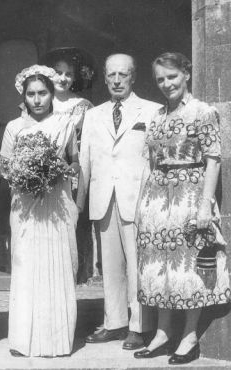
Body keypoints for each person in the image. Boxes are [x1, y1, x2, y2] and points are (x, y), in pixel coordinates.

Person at [133, 52, 230, 365]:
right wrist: (140, 205)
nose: (166, 84)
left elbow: (213, 158)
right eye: (160, 79)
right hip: (156, 200)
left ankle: (188, 336)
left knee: (187, 269)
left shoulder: (203, 111)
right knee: (160, 269)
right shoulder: (158, 116)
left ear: (186, 74)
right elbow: (150, 162)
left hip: (189, 195)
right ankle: (162, 334)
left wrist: (205, 205)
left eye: (172, 77)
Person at [76, 53, 160, 350]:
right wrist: (79, 203)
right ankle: (114, 322)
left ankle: (139, 325)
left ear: (133, 76)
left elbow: (156, 160)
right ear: (104, 76)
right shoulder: (93, 114)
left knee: (137, 264)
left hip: (136, 199)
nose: (116, 80)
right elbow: (84, 162)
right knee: (109, 266)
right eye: (111, 75)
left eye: (123, 75)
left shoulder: (152, 111)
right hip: (103, 199)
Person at [0, 65, 79, 357]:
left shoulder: (65, 124)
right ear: (24, 96)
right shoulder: (13, 127)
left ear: (51, 93)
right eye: (31, 94)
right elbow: (3, 166)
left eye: (42, 93)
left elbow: (74, 162)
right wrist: (24, 175)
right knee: (26, 264)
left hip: (56, 202)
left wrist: (60, 170)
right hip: (25, 204)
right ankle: (23, 339)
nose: (37, 100)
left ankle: (56, 340)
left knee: (56, 264)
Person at [41, 47, 95, 283]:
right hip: (42, 178)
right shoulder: (38, 101)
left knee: (70, 232)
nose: (62, 78)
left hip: (72, 178)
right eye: (58, 72)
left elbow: (88, 147)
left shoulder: (83, 106)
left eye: (68, 74)